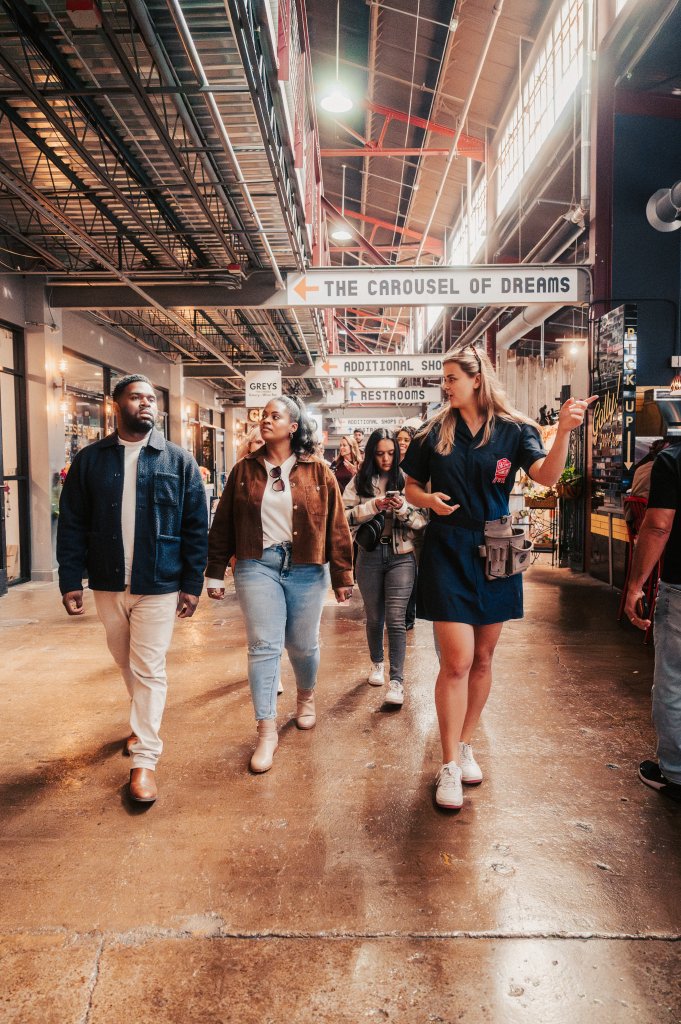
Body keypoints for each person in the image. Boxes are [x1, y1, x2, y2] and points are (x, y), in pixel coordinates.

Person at [402, 347, 594, 811]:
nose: (445, 386)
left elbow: (546, 477)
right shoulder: (432, 433)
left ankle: (466, 743)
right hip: (447, 549)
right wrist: (429, 503)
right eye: (443, 379)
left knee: (484, 658)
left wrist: (565, 432)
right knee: (457, 662)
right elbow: (409, 486)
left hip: (498, 550)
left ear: (476, 379)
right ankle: (448, 765)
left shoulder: (515, 430)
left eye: (451, 378)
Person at [57, 374, 208, 804]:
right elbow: (71, 524)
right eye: (136, 397)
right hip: (107, 582)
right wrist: (71, 579)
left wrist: (191, 583)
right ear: (115, 404)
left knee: (148, 668)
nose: (146, 404)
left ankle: (144, 759)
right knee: (125, 661)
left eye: (150, 399)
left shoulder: (176, 461)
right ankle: (142, 720)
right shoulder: (90, 461)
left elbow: (197, 526)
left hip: (158, 582)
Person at [206, 396, 353, 773]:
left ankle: (306, 696)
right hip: (257, 565)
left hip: (306, 567)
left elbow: (337, 526)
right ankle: (266, 729)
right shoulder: (243, 470)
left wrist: (342, 576)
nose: (265, 421)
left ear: (293, 427)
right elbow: (222, 524)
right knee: (263, 646)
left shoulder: (320, 471)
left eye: (275, 416)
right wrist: (213, 571)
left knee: (303, 646)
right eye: (263, 415)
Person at [344, 429, 427, 707]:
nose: (386, 458)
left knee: (395, 619)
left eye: (391, 453)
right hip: (368, 555)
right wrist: (374, 506)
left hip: (401, 556)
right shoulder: (359, 482)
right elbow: (343, 519)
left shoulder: (408, 480)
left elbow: (422, 522)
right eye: (380, 453)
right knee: (374, 617)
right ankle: (377, 663)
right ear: (371, 454)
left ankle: (397, 681)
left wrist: (403, 508)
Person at [624, 439, 681, 803]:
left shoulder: (673, 459)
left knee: (674, 678)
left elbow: (658, 525)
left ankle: (675, 773)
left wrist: (634, 585)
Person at [396, 426, 419, 630]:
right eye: (399, 439)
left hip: (414, 524)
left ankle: (409, 617)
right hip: (393, 525)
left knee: (412, 574)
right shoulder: (390, 464)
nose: (402, 443)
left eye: (406, 440)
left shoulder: (417, 466)